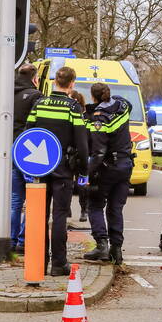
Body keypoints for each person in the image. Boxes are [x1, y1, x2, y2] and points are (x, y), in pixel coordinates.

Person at [25, 66, 88, 276]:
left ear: (54, 82)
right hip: (63, 169)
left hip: (40, 168)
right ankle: (58, 264)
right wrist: (83, 171)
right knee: (59, 215)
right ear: (71, 84)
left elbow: (28, 133)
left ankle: (38, 261)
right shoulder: (73, 107)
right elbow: (81, 142)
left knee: (40, 215)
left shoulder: (39, 104)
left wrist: (28, 165)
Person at [83, 82, 133, 265]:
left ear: (93, 96)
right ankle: (116, 249)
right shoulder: (122, 106)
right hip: (126, 165)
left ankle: (101, 245)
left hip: (108, 167)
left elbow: (98, 152)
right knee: (115, 208)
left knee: (95, 205)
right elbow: (126, 102)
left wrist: (87, 173)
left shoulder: (99, 118)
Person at [10, 64, 42, 253]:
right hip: (28, 151)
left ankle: (11, 241)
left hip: (10, 148)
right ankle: (23, 241)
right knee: (32, 197)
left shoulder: (6, 93)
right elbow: (38, 123)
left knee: (15, 200)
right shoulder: (35, 95)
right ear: (34, 78)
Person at [69, 89, 90, 223]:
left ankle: (84, 210)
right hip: (70, 154)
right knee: (68, 183)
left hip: (83, 155)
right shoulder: (68, 114)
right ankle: (67, 208)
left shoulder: (87, 116)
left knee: (82, 184)